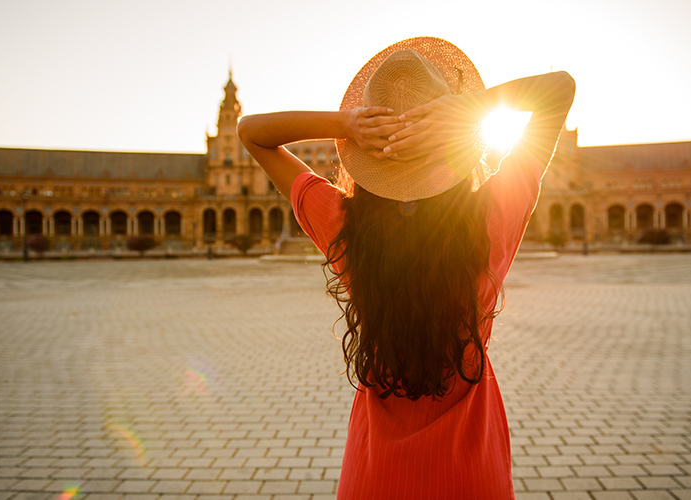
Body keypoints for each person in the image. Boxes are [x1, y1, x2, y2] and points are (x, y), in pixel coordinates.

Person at [238, 37, 574, 500]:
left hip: (375, 480)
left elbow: (251, 131)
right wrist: (466, 108)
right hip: (471, 478)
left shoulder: (343, 226)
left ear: (366, 156)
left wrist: (347, 123)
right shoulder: (492, 218)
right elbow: (560, 89)